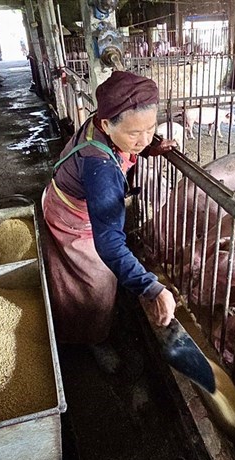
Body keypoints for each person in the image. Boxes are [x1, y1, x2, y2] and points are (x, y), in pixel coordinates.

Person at [42, 71, 178, 370]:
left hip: (67, 198)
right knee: (95, 284)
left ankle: (84, 330)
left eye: (151, 128)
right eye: (134, 134)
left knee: (79, 279)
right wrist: (152, 288)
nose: (143, 139)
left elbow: (136, 136)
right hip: (72, 219)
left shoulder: (105, 119)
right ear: (106, 124)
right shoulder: (100, 167)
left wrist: (150, 146)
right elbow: (109, 242)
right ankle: (88, 342)